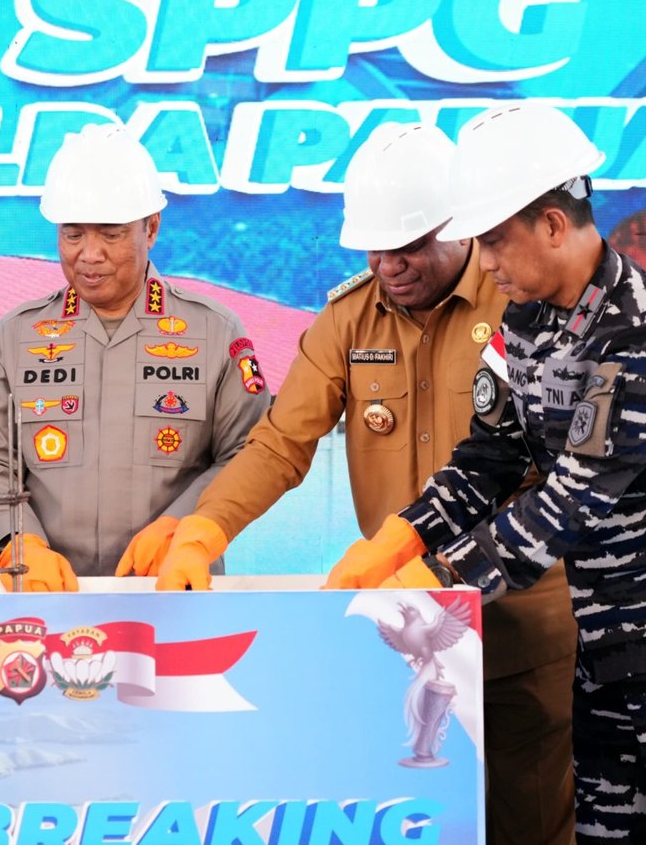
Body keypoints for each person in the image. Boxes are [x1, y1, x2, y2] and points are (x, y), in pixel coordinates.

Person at [324, 105, 646, 843]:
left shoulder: (640, 334)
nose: (485, 261)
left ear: (551, 224)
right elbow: (492, 457)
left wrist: (438, 582)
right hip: (606, 638)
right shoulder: (527, 321)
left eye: (494, 239)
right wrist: (404, 536)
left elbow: (572, 498)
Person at [131, 122, 576, 843]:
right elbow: (281, 442)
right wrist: (206, 528)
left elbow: (561, 476)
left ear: (457, 228)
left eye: (408, 247)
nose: (389, 266)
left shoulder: (519, 305)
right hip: (406, 635)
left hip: (524, 625)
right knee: (416, 819)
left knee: (532, 823)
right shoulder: (347, 319)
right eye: (374, 248)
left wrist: (440, 565)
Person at [0, 123, 269, 589]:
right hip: (51, 592)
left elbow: (248, 453)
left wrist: (187, 526)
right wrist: (18, 543)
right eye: (73, 234)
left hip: (173, 586)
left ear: (152, 228)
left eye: (110, 234)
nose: (90, 254)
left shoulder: (214, 332)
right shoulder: (18, 335)